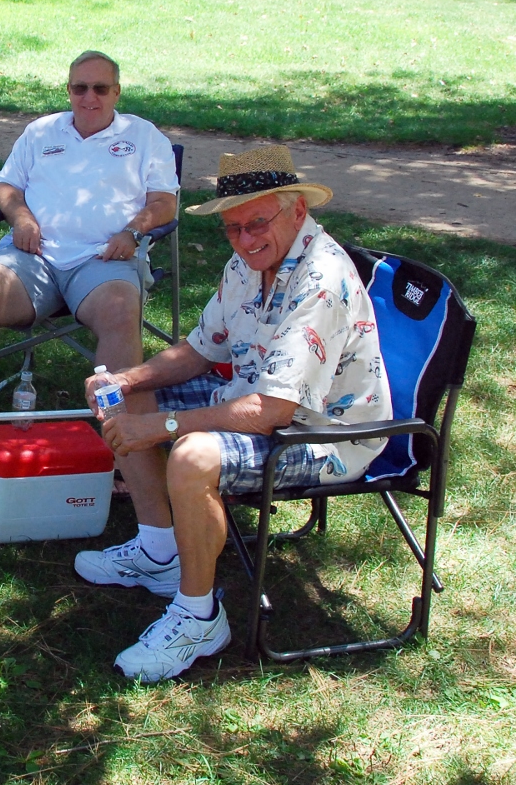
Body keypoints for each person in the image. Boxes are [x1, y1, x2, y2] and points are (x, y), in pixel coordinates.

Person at [75, 146, 392, 683]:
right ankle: (159, 551)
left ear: (297, 210)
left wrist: (162, 427)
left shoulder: (320, 280)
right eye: (233, 228)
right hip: (256, 399)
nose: (245, 240)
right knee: (126, 395)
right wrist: (126, 379)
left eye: (256, 224)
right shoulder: (250, 262)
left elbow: (273, 411)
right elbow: (201, 349)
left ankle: (199, 618)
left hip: (321, 437)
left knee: (193, 455)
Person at [0, 50, 180, 467]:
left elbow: (165, 202)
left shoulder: (145, 137)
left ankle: (122, 440)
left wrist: (133, 231)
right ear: (68, 90)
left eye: (100, 88)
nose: (89, 97)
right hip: (34, 257)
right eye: (80, 88)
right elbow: (5, 186)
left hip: (103, 259)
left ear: (117, 92)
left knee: (120, 310)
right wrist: (21, 217)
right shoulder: (40, 132)